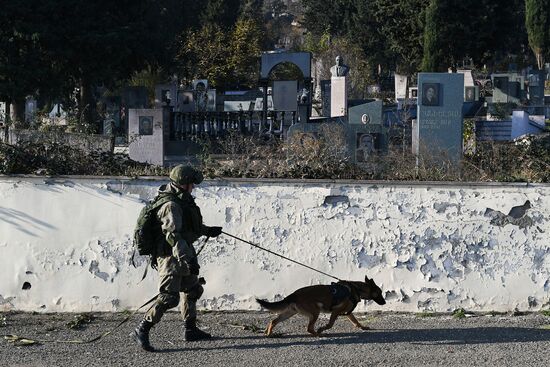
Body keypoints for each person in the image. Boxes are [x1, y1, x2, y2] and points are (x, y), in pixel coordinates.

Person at [133, 165, 223, 352]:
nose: (194, 187)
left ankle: (190, 330)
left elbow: (188, 227)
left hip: (182, 252)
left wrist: (208, 231)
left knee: (193, 289)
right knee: (168, 298)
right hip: (170, 257)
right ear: (184, 183)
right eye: (192, 183)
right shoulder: (170, 205)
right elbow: (173, 235)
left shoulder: (182, 200)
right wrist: (187, 259)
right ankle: (142, 329)